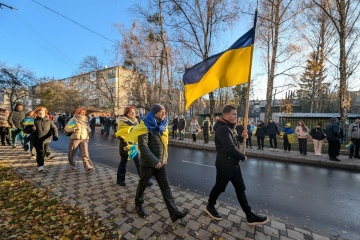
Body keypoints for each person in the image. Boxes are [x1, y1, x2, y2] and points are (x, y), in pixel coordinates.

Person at [205, 105, 268, 226]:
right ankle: (210, 206)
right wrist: (242, 156)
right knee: (220, 187)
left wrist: (241, 137)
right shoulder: (222, 128)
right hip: (225, 164)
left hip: (233, 164)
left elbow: (233, 141)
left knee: (240, 188)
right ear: (226, 115)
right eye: (234, 114)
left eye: (236, 114)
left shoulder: (229, 127)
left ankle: (249, 215)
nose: (236, 116)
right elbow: (229, 148)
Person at [126, 104, 188, 222]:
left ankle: (174, 213)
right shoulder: (144, 125)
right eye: (160, 112)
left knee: (166, 188)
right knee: (142, 185)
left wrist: (165, 157)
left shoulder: (163, 125)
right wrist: (154, 161)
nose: (163, 114)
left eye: (164, 111)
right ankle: (138, 205)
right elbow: (143, 146)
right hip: (148, 164)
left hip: (161, 163)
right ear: (154, 112)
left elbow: (165, 143)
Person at [116, 106, 152, 187]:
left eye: (134, 112)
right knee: (123, 163)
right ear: (126, 113)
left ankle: (145, 181)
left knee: (139, 163)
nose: (133, 114)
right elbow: (121, 133)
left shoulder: (136, 120)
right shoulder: (122, 121)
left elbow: (138, 130)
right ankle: (120, 180)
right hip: (125, 145)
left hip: (135, 145)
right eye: (130, 112)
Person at [27, 107, 58, 172]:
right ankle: (40, 166)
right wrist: (32, 129)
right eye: (39, 113)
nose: (41, 114)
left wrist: (55, 136)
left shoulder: (49, 121)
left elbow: (54, 128)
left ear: (45, 113)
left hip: (46, 139)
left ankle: (43, 161)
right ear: (37, 113)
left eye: (42, 113)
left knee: (43, 152)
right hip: (36, 139)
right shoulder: (32, 121)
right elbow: (25, 130)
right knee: (40, 152)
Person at [65, 107, 95, 172]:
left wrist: (87, 136)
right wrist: (74, 129)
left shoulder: (85, 120)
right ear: (78, 112)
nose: (83, 114)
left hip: (84, 139)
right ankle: (72, 166)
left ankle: (88, 167)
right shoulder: (74, 119)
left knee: (85, 153)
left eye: (84, 113)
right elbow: (67, 128)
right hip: (75, 139)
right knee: (72, 153)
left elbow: (88, 130)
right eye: (81, 112)